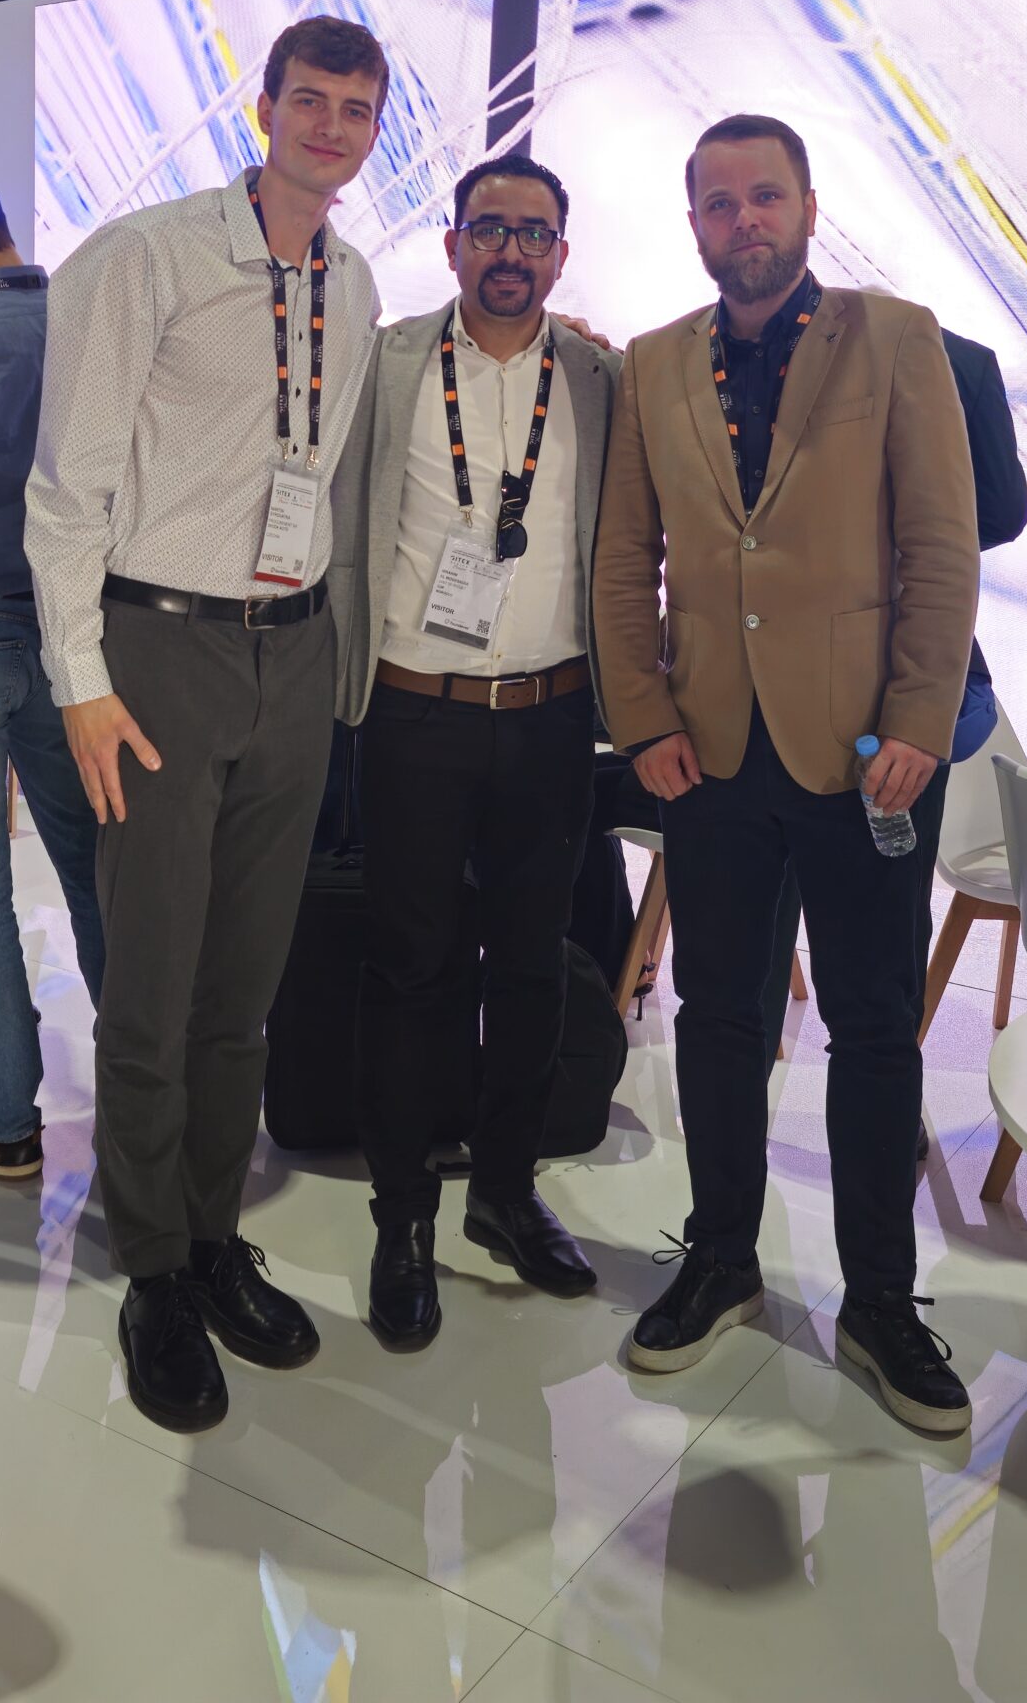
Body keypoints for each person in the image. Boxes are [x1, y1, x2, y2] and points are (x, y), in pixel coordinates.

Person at [24, 17, 386, 1433]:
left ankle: (214, 1231)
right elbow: (69, 491)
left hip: (290, 653)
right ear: (265, 106)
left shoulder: (353, 282)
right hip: (159, 648)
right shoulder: (149, 258)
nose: (331, 128)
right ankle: (153, 1268)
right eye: (312, 100)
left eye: (356, 109)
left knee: (244, 986)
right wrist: (82, 681)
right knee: (154, 984)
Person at [592, 112, 980, 1432]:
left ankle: (879, 1301)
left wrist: (919, 714)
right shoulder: (652, 364)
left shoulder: (895, 339)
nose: (742, 220)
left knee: (870, 1024)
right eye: (718, 202)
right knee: (716, 1014)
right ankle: (719, 1259)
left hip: (868, 753)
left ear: (807, 209)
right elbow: (622, 558)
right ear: (693, 223)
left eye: (764, 197)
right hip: (706, 752)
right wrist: (641, 712)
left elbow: (939, 544)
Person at [332, 151, 619, 1348]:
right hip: (413, 713)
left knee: (533, 966)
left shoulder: (600, 378)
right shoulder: (386, 362)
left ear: (561, 253)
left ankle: (503, 1189)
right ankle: (401, 1216)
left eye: (533, 232)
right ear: (451, 244)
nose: (510, 250)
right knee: (411, 968)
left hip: (551, 717)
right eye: (488, 229)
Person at [760, 325, 1027, 1104]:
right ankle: (878, 1099)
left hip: (858, 683)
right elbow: (1000, 514)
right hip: (870, 678)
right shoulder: (956, 356)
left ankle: (854, 1094)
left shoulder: (755, 347)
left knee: (822, 901)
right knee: (879, 912)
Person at [0, 163, 103, 1180]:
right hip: (78, 644)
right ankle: (149, 1113)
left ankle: (5, 1124)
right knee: (101, 879)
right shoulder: (94, 331)